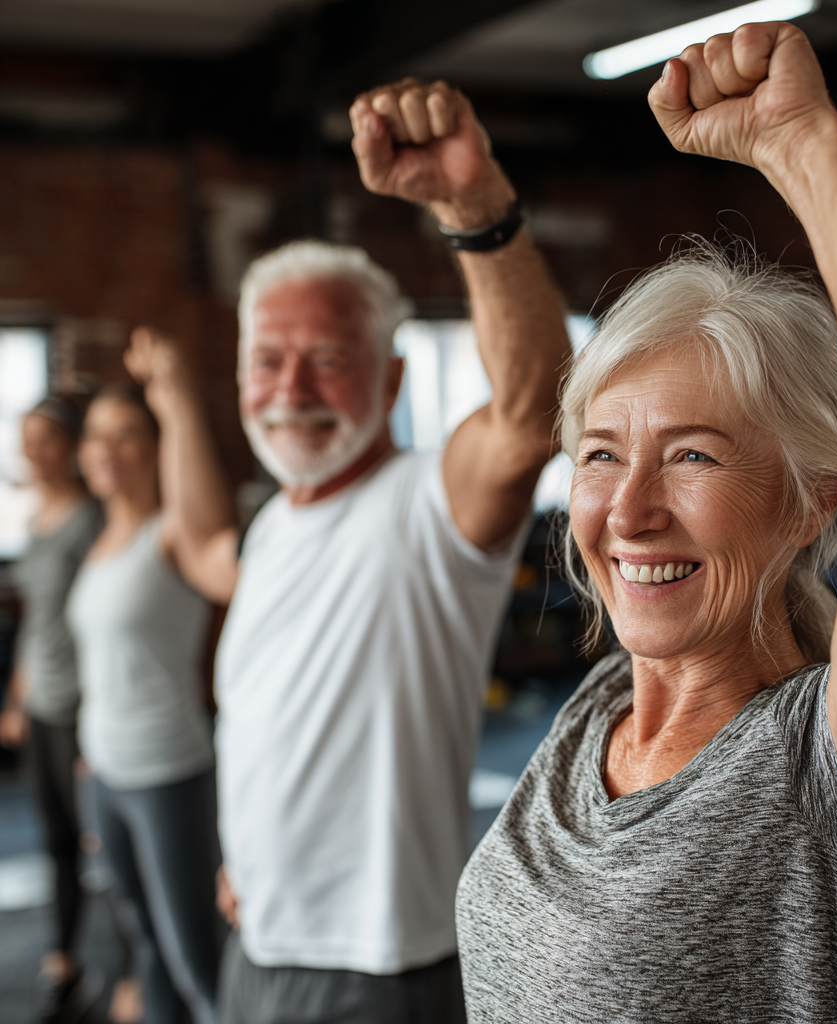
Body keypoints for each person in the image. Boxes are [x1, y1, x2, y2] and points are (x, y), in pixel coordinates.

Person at [455, 22, 837, 1024]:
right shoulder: (598, 707)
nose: (627, 511)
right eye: (600, 453)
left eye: (692, 454)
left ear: (810, 502)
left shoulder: (818, 761)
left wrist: (802, 145)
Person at [127, 79, 571, 1023]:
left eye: (327, 357)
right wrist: (170, 406)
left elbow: (533, 415)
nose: (291, 387)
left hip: (377, 973)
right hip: (261, 937)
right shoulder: (276, 525)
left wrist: (473, 207)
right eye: (266, 359)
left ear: (394, 375)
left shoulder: (422, 504)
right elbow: (200, 542)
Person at [66, 377, 233, 1024]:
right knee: (144, 947)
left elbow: (212, 523)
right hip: (103, 773)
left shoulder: (174, 534)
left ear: (156, 446)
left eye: (125, 434)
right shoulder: (100, 545)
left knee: (196, 960)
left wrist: (177, 395)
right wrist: (87, 765)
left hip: (167, 771)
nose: (105, 449)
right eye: (96, 436)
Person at [0, 396, 103, 1020]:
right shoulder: (38, 518)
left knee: (105, 849)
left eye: (44, 440)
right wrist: (16, 695)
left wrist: (95, 726)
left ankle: (136, 971)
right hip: (39, 705)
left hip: (81, 710)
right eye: (25, 441)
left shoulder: (90, 521)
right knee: (58, 842)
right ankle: (65, 956)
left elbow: (100, 623)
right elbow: (36, 622)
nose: (33, 453)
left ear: (71, 447)